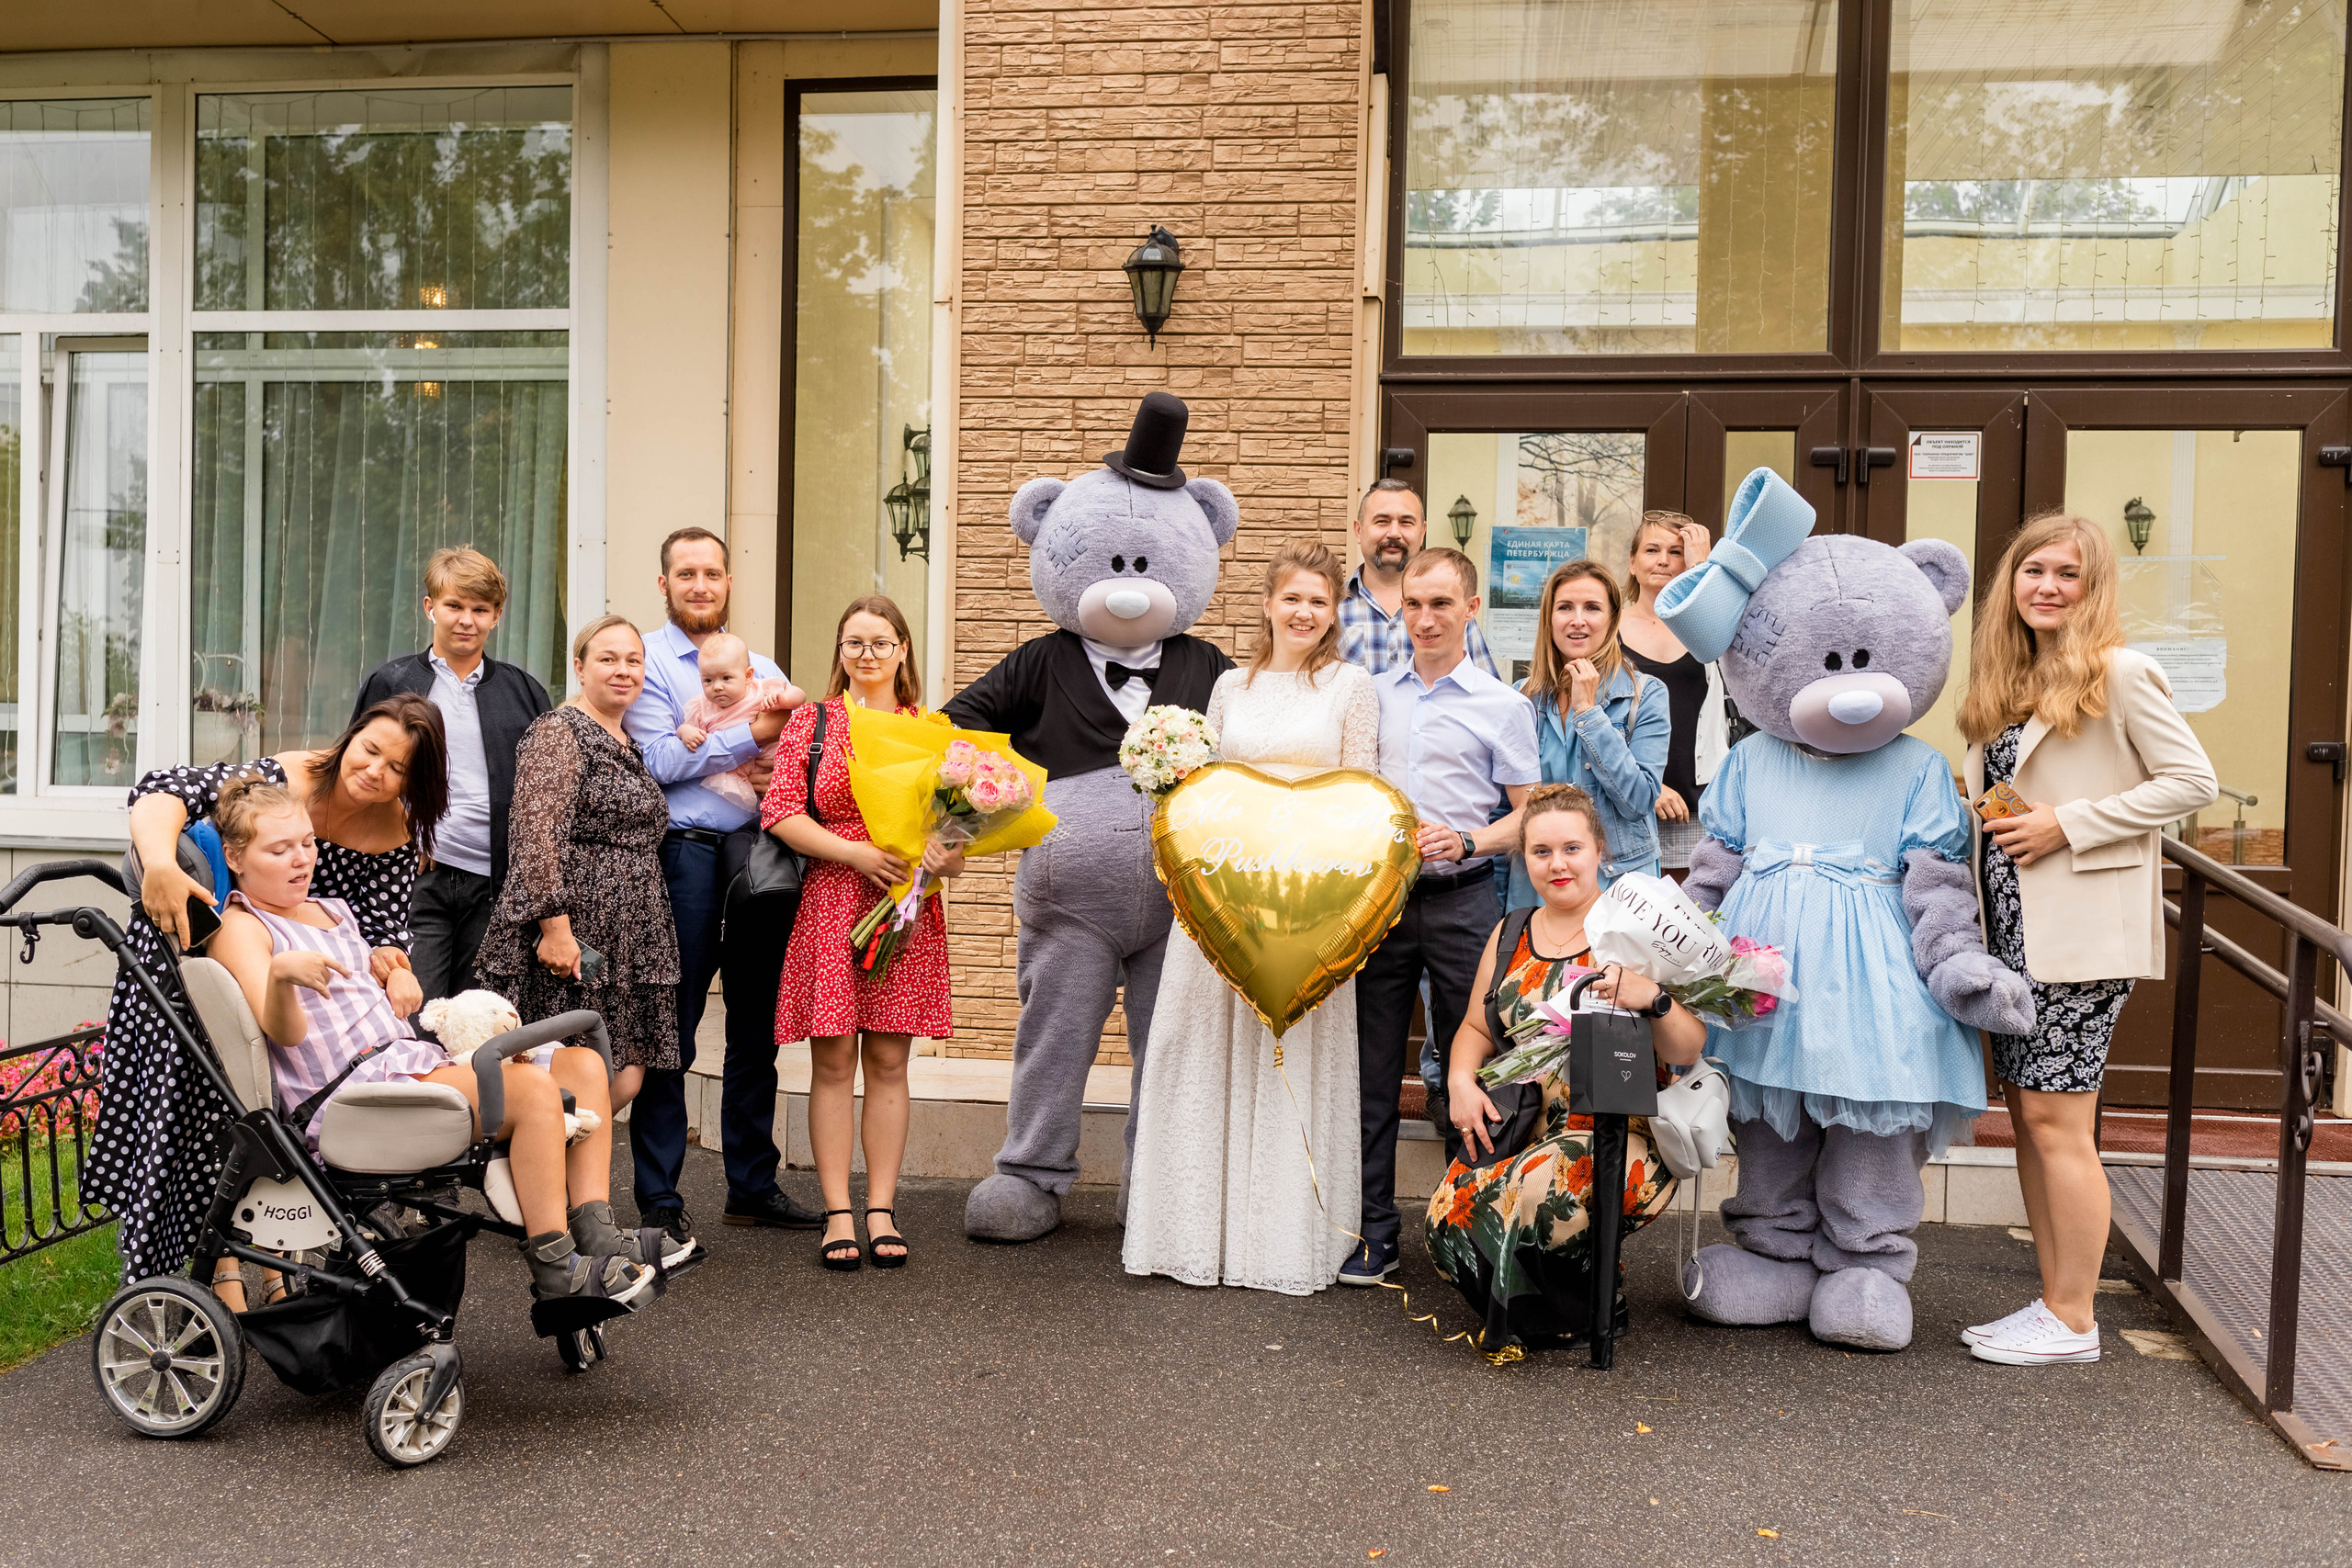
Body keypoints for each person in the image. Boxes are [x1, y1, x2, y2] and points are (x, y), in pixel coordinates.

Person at [207, 775, 655, 1306]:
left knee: (580, 1066)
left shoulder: (331, 910)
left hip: (405, 1064)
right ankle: (556, 1267)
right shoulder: (243, 927)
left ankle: (596, 1235)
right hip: (352, 1099)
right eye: (279, 850)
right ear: (235, 857)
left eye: (306, 843)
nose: (301, 859)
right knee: (530, 1089)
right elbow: (285, 1034)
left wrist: (390, 968)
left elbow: (364, 985)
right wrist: (281, 976)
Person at [1957, 512, 2217, 1367]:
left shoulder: (2123, 671)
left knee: (2059, 1122)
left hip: (2077, 935)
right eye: (2034, 570)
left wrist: (2070, 823)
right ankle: (2053, 1301)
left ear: (2092, 587)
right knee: (2031, 1119)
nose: (2047, 586)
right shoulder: (2012, 679)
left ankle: (2072, 1317)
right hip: (2014, 935)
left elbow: (2191, 780)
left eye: (2067, 574)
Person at [85, 694, 449, 1285]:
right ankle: (221, 1272)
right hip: (208, 941)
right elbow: (161, 789)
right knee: (205, 1112)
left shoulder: (397, 830)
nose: (375, 771)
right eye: (370, 749)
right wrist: (158, 864)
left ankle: (275, 1267)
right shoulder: (288, 780)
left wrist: (397, 963)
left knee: (270, 1115)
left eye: (398, 768)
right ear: (350, 738)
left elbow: (380, 927)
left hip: (299, 975)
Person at [1124, 541, 1381, 1294]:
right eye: (1293, 597)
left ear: (1335, 612)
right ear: (1268, 604)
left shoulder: (1351, 686)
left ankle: (1280, 1239)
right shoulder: (1230, 688)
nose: (1305, 612)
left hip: (1306, 900)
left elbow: (1361, 797)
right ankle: (1194, 1228)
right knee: (1195, 1048)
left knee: (1290, 1057)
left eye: (1320, 601)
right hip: (1222, 895)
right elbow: (1208, 790)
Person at [1429, 784, 1702, 1352]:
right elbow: (1478, 1028)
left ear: (1600, 851)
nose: (1557, 864)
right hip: (1522, 1124)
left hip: (1617, 1135)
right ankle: (1556, 1307)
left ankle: (1588, 1300)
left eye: (1572, 849)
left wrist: (1654, 997)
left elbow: (1686, 1050)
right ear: (1523, 858)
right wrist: (1459, 1080)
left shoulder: (1636, 934)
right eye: (1541, 851)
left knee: (1526, 1195)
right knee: (1444, 1223)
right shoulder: (1510, 933)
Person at [1349, 547, 1541, 1284]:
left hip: (1467, 902)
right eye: (1415, 605)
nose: (1425, 618)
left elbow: (1530, 816)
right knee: (1372, 1071)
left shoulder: (1503, 705)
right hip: (1382, 907)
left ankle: (1472, 1225)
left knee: (1485, 1065)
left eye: (1441, 605)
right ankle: (1373, 1232)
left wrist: (1468, 838)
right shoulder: (1370, 696)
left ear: (1470, 610)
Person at [623, 526, 817, 1251]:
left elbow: (789, 750)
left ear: (729, 582)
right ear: (665, 583)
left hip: (758, 853)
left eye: (711, 572)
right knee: (671, 1017)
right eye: (685, 573)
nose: (699, 584)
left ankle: (752, 1185)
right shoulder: (643, 661)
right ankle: (661, 1194)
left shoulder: (759, 663)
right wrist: (749, 740)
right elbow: (657, 763)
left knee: (755, 1016)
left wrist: (766, 751)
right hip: (683, 853)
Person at [763, 596, 964, 1270]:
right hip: (833, 895)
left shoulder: (931, 729)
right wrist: (854, 853)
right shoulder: (813, 722)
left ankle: (881, 1207)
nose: (868, 654)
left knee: (887, 1063)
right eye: (855, 642)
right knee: (831, 1064)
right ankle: (836, 1211)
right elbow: (782, 810)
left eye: (882, 642)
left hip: (904, 905)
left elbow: (957, 838)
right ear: (840, 650)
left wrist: (944, 856)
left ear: (904, 649)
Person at [477, 617, 683, 1172]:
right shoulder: (559, 732)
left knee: (626, 1073)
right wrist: (555, 928)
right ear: (580, 666)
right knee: (567, 1068)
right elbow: (535, 833)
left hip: (631, 931)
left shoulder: (628, 740)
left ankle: (551, 1188)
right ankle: (552, 1199)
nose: (623, 671)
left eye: (634, 661)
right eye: (608, 659)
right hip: (576, 929)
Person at [351, 546, 554, 1003]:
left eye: (480, 609)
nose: (467, 620)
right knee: (410, 1011)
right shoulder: (392, 681)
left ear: (496, 616)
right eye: (454, 606)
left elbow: (543, 793)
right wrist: (400, 838)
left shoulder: (524, 692)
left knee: (474, 1020)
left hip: (493, 884)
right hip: (417, 877)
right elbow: (359, 774)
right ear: (430, 608)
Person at [1506, 559, 1669, 909]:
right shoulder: (1523, 697)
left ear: (1612, 619)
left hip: (1617, 882)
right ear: (1550, 618)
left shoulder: (1647, 694)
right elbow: (1509, 809)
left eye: (1592, 608)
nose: (1577, 620)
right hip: (1540, 884)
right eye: (1565, 607)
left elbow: (1638, 801)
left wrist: (1590, 713)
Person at [1618, 512, 1733, 875]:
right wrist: (1648, 787)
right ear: (1633, 563)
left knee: (1699, 921)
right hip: (1628, 804)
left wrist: (1703, 568)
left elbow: (1740, 660)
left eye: (1677, 551)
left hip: (1697, 806)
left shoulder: (1708, 624)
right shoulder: (1607, 630)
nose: (1664, 560)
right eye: (1652, 550)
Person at [1337, 479, 1502, 679]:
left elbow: (1486, 694)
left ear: (1422, 532)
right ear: (1359, 530)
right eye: (1382, 521)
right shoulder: (1331, 607)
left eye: (1406, 522)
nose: (1394, 533)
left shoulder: (1453, 610)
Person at [677, 630, 804, 813]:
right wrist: (684, 732)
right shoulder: (701, 708)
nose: (717, 686)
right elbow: (686, 729)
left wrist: (783, 699)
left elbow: (800, 696)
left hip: (777, 763)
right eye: (708, 680)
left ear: (748, 676)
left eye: (726, 678)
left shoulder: (761, 690)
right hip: (741, 773)